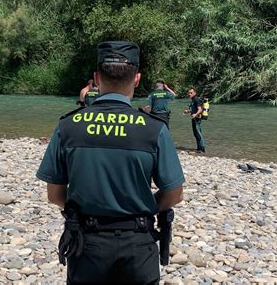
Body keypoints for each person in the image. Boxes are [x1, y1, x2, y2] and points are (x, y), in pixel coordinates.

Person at [36, 41, 185, 284]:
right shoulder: (153, 129)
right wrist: (145, 207)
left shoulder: (68, 126)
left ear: (96, 78)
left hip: (87, 243)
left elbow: (54, 195)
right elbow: (174, 194)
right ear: (136, 79)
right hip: (138, 244)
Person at [184, 88, 205, 153]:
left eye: (191, 93)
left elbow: (200, 109)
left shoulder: (196, 99)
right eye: (189, 93)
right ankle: (198, 148)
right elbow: (194, 109)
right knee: (195, 134)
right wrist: (188, 111)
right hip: (194, 118)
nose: (189, 94)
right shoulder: (193, 100)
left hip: (197, 118)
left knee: (198, 133)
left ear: (195, 93)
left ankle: (202, 148)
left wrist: (195, 114)